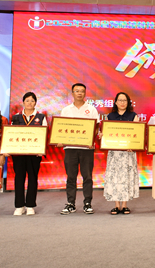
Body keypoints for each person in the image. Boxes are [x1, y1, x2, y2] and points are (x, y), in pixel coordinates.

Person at [59, 83, 100, 215]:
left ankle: (87, 203)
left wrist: (91, 140)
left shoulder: (92, 109)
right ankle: (70, 203)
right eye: (77, 91)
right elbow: (61, 128)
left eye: (82, 91)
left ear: (85, 93)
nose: (79, 93)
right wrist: (59, 140)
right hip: (70, 148)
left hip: (87, 149)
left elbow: (96, 128)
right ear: (72, 93)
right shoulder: (66, 110)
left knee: (87, 177)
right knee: (71, 177)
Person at [9, 92, 47, 216]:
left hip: (34, 154)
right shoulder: (16, 117)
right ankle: (19, 206)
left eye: (32, 101)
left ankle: (30, 205)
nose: (29, 103)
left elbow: (44, 134)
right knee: (19, 178)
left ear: (35, 103)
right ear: (23, 102)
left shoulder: (41, 117)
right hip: (18, 154)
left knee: (32, 178)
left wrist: (41, 150)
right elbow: (11, 134)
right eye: (27, 100)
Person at [103, 92, 140, 215]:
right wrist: (102, 135)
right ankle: (116, 205)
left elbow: (137, 133)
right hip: (115, 153)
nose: (122, 102)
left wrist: (133, 145)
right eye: (120, 100)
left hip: (128, 152)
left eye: (125, 100)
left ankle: (124, 205)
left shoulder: (133, 116)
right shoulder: (110, 116)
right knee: (115, 177)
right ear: (116, 102)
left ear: (128, 102)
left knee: (126, 177)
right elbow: (106, 133)